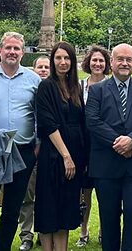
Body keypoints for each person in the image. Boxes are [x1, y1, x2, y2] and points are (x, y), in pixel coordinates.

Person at [85, 43, 132, 251]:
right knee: (109, 216)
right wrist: (119, 141)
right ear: (112, 62)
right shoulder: (97, 90)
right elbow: (93, 121)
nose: (124, 63)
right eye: (120, 59)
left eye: (129, 59)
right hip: (106, 163)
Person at [0, 32, 41, 251]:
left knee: (12, 210)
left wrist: (37, 146)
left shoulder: (34, 80)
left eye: (17, 49)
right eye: (8, 48)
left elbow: (39, 115)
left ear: (23, 52)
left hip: (22, 150)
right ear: (0, 50)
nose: (12, 52)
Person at [33, 42, 89, 251]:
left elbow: (81, 122)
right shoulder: (46, 86)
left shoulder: (75, 88)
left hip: (74, 156)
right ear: (52, 60)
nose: (63, 62)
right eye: (58, 58)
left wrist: (79, 158)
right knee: (49, 207)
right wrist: (66, 156)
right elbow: (48, 124)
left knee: (66, 208)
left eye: (67, 58)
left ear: (72, 62)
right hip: (54, 155)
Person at [75, 46, 112, 248]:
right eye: (94, 60)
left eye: (101, 61)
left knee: (105, 193)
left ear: (106, 64)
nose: (97, 64)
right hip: (85, 145)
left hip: (104, 145)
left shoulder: (111, 86)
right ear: (88, 62)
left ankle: (104, 231)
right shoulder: (79, 86)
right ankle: (84, 230)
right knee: (86, 192)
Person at [18, 54, 54, 251]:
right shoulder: (29, 89)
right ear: (33, 69)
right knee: (28, 195)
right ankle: (26, 235)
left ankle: (44, 232)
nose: (43, 70)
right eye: (39, 67)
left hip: (49, 151)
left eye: (46, 67)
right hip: (31, 148)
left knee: (46, 194)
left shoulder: (54, 90)